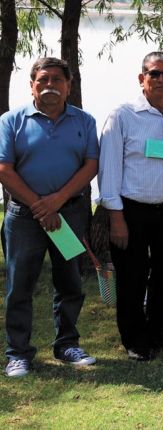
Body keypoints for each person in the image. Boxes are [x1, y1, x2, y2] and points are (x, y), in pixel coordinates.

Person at [1, 57, 99, 378]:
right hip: (23, 217)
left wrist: (56, 201)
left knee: (70, 281)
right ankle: (18, 354)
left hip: (69, 214)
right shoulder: (11, 121)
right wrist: (40, 206)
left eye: (57, 79)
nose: (50, 85)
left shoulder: (85, 121)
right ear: (31, 85)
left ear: (69, 86)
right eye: (42, 80)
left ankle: (67, 345)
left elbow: (91, 165)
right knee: (19, 286)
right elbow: (4, 168)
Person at [98, 52, 163, 361]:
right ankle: (134, 339)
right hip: (132, 211)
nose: (161, 79)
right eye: (155, 74)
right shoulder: (122, 116)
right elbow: (108, 169)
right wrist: (116, 218)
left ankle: (157, 332)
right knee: (132, 276)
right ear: (142, 78)